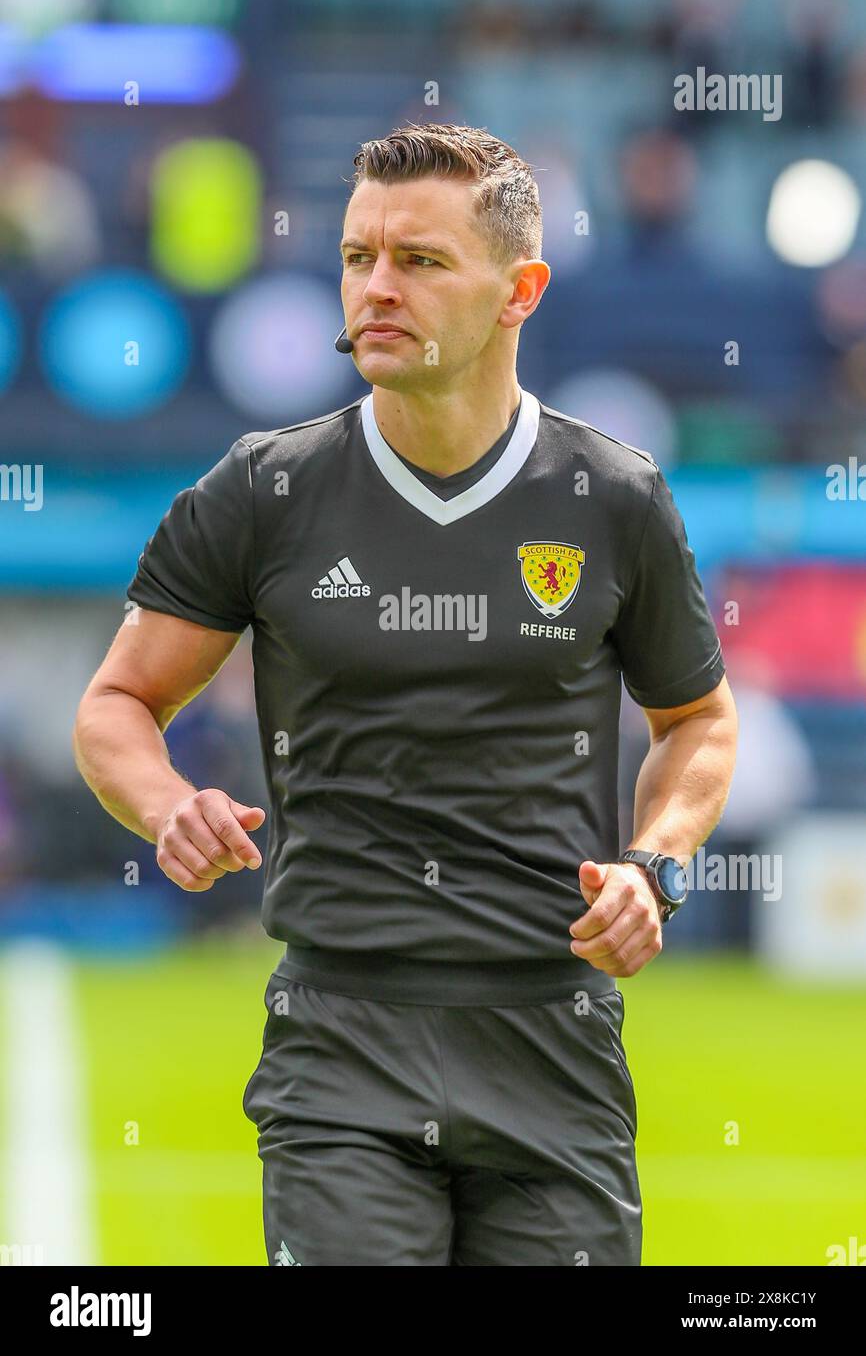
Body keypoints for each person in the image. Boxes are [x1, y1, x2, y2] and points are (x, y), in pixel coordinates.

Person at [73, 122, 738, 1266]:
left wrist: (655, 859)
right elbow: (115, 704)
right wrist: (162, 801)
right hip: (340, 1040)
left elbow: (698, 724)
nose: (374, 288)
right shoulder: (264, 489)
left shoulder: (612, 496)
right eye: (355, 257)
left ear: (518, 289)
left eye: (419, 262)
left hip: (553, 1038)